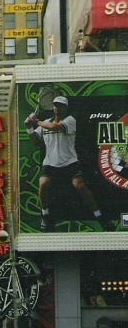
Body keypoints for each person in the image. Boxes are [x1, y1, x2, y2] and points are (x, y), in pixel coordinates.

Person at [24, 96, 111, 232]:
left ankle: (100, 217)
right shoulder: (46, 123)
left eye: (60, 105)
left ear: (65, 108)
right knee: (43, 184)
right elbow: (35, 141)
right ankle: (46, 215)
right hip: (50, 164)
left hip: (70, 162)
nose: (57, 108)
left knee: (80, 186)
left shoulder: (70, 121)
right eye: (55, 105)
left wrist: (36, 121)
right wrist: (29, 128)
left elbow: (54, 127)